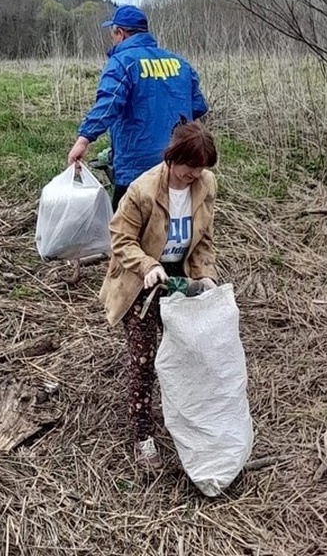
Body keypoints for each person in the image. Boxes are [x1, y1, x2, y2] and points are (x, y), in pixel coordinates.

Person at [99, 121, 218, 468]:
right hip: (142, 283)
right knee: (143, 359)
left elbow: (204, 237)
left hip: (179, 277)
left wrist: (205, 275)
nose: (193, 176)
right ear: (172, 159)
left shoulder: (206, 185)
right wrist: (147, 264)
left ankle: (184, 421)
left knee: (185, 351)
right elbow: (120, 239)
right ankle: (142, 435)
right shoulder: (142, 190)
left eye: (200, 170)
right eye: (188, 169)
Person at [67, 4, 208, 211]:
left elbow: (108, 104)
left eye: (112, 34)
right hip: (177, 162)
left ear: (121, 33)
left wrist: (84, 139)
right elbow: (198, 106)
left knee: (123, 232)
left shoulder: (123, 63)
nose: (112, 39)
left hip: (135, 165)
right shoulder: (180, 63)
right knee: (169, 225)